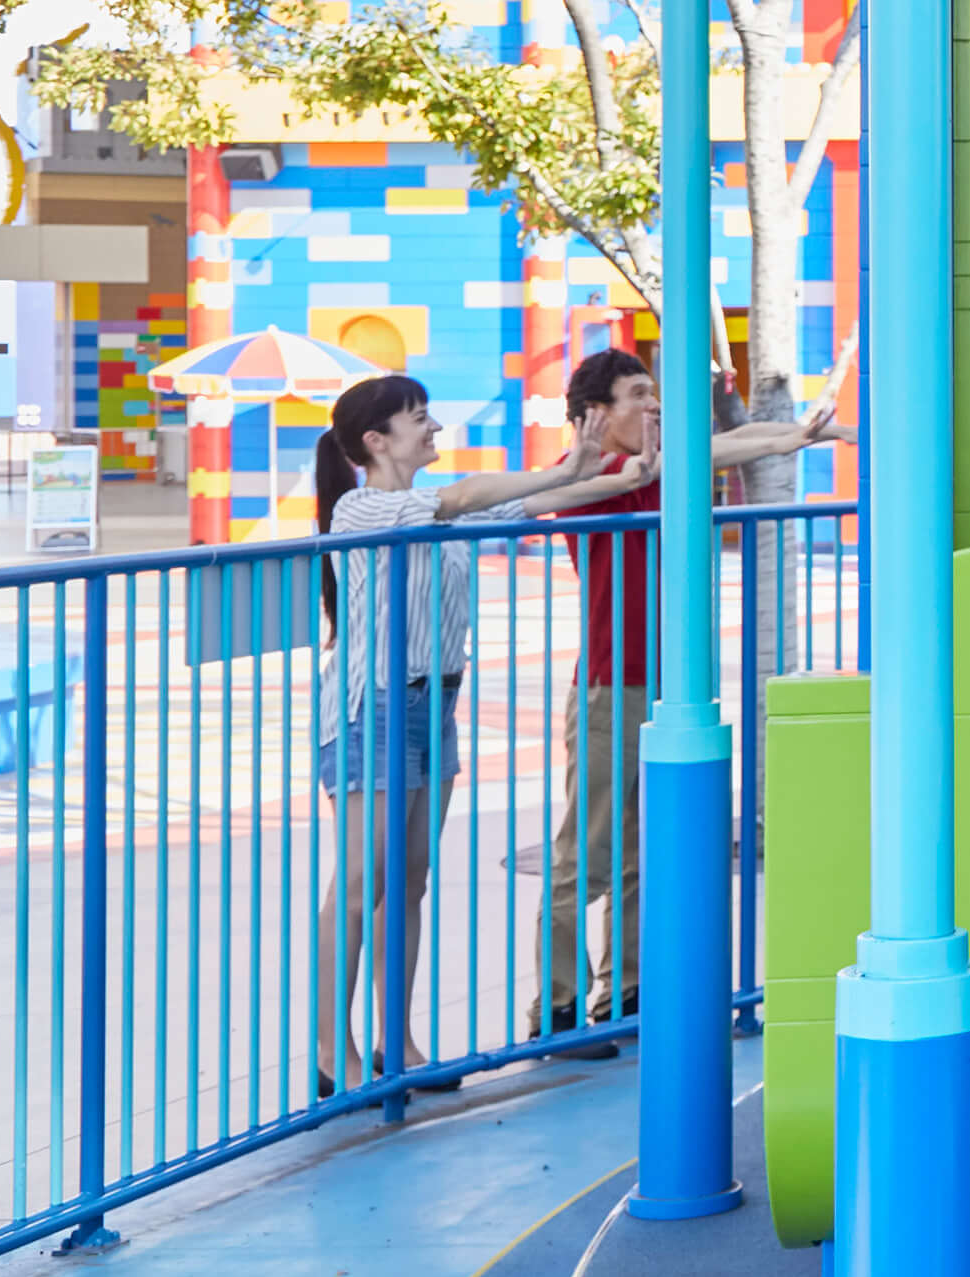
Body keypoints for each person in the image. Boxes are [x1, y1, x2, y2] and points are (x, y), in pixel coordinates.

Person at [309, 374, 645, 1100]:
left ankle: (397, 1042)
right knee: (364, 877)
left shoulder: (437, 506)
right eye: (419, 418)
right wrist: (563, 469)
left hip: (436, 705)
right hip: (372, 706)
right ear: (376, 440)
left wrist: (589, 474)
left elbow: (543, 499)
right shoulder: (364, 507)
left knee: (411, 879)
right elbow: (466, 498)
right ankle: (334, 1049)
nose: (433, 427)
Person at [530, 348, 834, 1051]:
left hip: (669, 689)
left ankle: (627, 990)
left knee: (644, 849)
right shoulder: (596, 475)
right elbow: (543, 496)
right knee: (590, 852)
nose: (656, 405)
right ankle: (558, 1005)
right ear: (598, 413)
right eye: (640, 394)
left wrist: (795, 436)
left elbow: (727, 445)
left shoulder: (658, 467)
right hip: (612, 687)